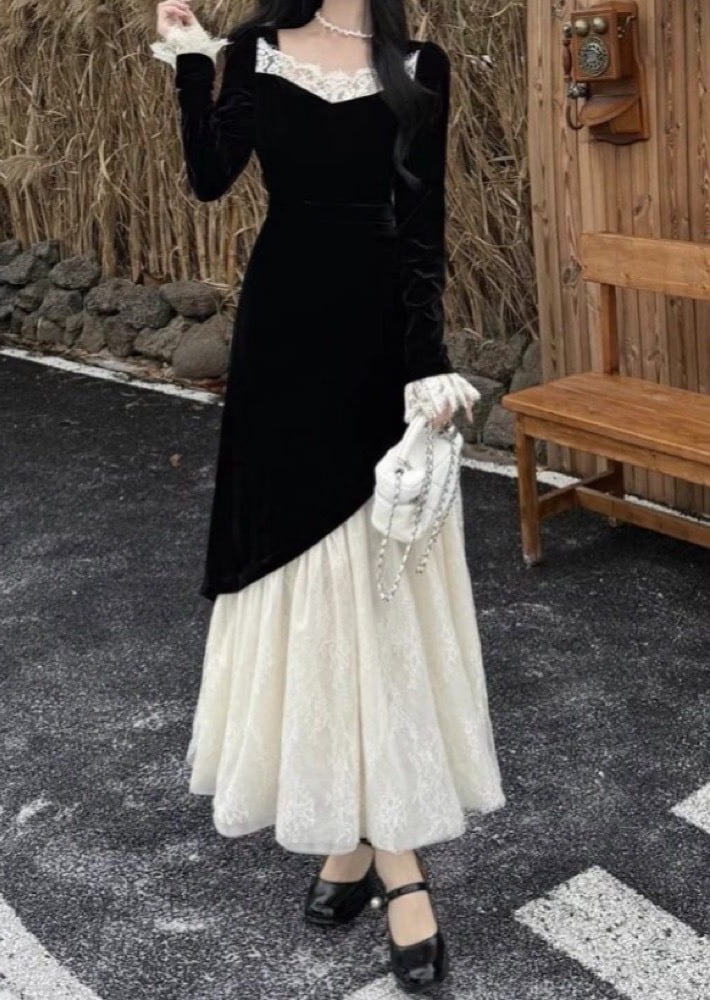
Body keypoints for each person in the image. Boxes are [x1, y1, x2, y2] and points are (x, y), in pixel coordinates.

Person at [151, 1, 505, 992]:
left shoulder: (418, 65)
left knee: (379, 591)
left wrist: (426, 365)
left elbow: (424, 223)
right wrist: (193, 61)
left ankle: (372, 851)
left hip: (377, 343)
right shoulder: (256, 51)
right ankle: (381, 857)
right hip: (283, 341)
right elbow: (209, 177)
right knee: (308, 577)